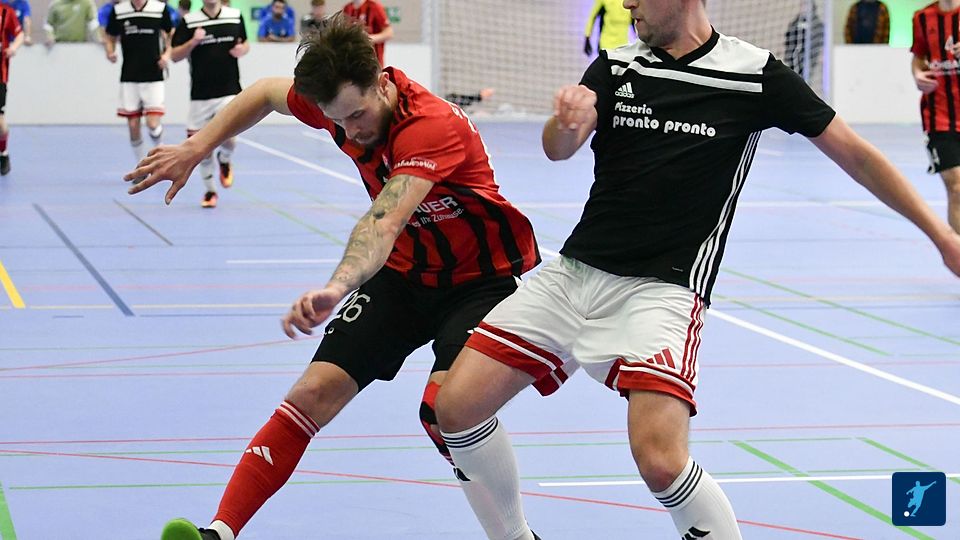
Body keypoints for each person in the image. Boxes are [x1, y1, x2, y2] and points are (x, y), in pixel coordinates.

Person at [433, 0, 960, 539]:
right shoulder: (616, 66)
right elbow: (558, 148)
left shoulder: (754, 74)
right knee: (454, 408)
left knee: (661, 460)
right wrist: (566, 124)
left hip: (663, 291)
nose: (627, 3)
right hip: (573, 276)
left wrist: (941, 235)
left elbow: (858, 156)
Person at [125, 14, 542, 540]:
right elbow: (265, 92)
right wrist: (196, 146)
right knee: (313, 392)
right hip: (404, 275)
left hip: (480, 281)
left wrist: (336, 287)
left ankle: (517, 536)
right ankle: (220, 532)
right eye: (336, 121)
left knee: (443, 412)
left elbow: (384, 220)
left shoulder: (430, 126)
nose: (352, 131)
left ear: (382, 82)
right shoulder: (342, 107)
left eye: (358, 115)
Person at [170, 0, 248, 208]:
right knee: (201, 148)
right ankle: (210, 191)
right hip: (201, 95)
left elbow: (245, 43)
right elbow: (175, 55)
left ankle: (225, 159)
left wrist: (242, 49)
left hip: (229, 90)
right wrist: (193, 42)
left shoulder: (234, 16)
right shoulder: (189, 21)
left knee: (230, 139)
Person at [103, 0, 173, 165]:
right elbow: (110, 37)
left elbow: (172, 34)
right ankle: (142, 165)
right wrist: (110, 51)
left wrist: (166, 55)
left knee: (152, 124)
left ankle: (159, 153)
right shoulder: (119, 11)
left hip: (153, 75)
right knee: (133, 125)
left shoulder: (159, 9)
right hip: (130, 76)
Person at [912, 0, 960, 235]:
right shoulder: (922, 17)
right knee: (957, 188)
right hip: (939, 117)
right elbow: (919, 56)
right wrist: (917, 73)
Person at [0, 0, 23, 175]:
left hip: (0, 76)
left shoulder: (6, 12)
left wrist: (13, 47)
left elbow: (19, 34)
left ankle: (4, 153)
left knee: (0, 122)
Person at [783, 2, 824, 81]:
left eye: (805, 5)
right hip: (795, 58)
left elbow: (820, 40)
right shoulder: (796, 22)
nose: (802, 8)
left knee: (804, 80)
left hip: (809, 58)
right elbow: (789, 38)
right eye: (802, 5)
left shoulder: (817, 23)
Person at [342, 0, 390, 65]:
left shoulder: (374, 6)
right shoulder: (347, 8)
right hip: (354, 60)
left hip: (373, 60)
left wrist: (367, 38)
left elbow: (389, 33)